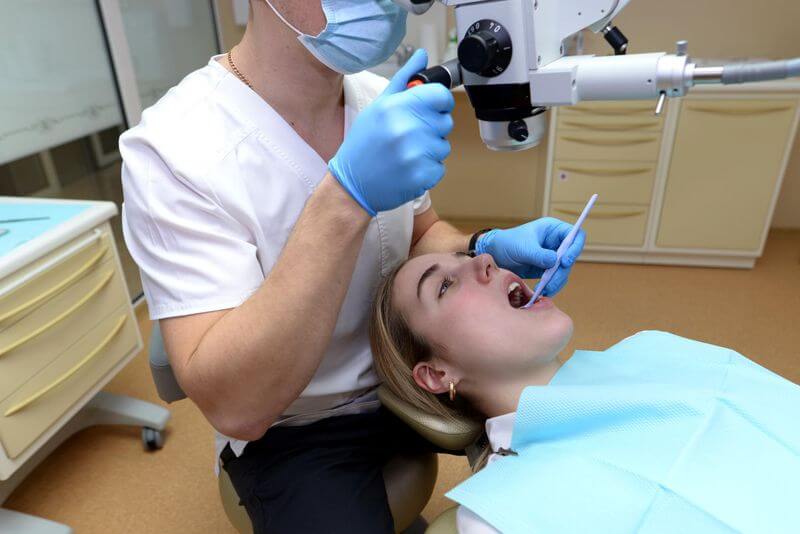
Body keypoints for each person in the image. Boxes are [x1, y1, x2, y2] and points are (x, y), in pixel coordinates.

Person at [121, 1, 584, 532]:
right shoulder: (174, 150)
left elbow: (422, 232)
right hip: (296, 424)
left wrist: (487, 246)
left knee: (571, 448)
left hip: (405, 374)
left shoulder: (372, 96)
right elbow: (238, 407)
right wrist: (345, 198)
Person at [370, 251, 800, 534]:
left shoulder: (649, 349)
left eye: (467, 256)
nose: (484, 259)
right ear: (435, 374)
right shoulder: (501, 516)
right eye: (444, 286)